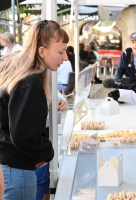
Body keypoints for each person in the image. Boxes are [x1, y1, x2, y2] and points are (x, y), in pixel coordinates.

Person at [0, 20, 68, 199]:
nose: (65, 57)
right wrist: (47, 152)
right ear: (42, 51)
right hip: (17, 171)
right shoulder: (31, 82)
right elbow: (24, 137)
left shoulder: (15, 71)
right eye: (61, 52)